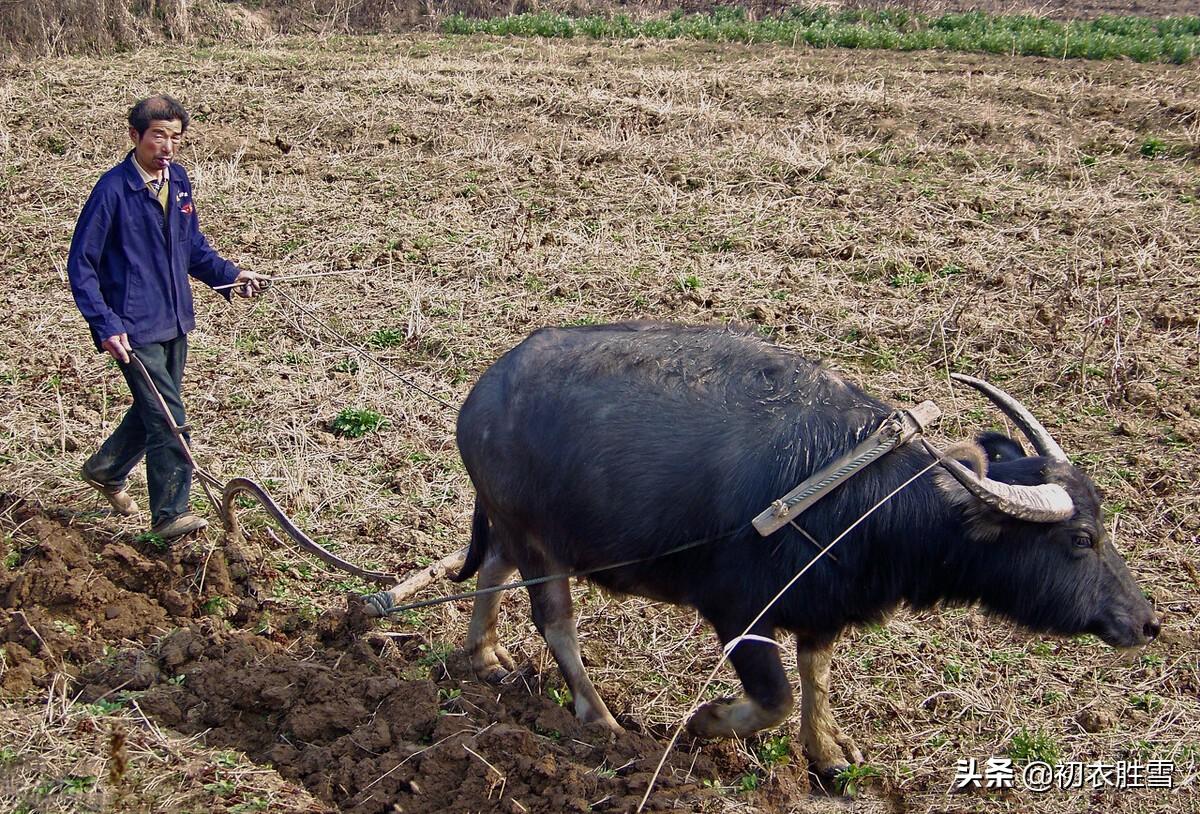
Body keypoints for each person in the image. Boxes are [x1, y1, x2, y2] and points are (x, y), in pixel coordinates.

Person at [67, 94, 267, 540]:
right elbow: (81, 264)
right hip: (133, 326)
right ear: (136, 136)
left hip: (175, 320)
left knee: (154, 408)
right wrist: (105, 324)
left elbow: (191, 247)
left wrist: (231, 275)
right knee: (169, 417)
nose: (168, 147)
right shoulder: (112, 191)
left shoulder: (177, 181)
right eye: (158, 136)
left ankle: (105, 468)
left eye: (175, 138)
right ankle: (170, 515)